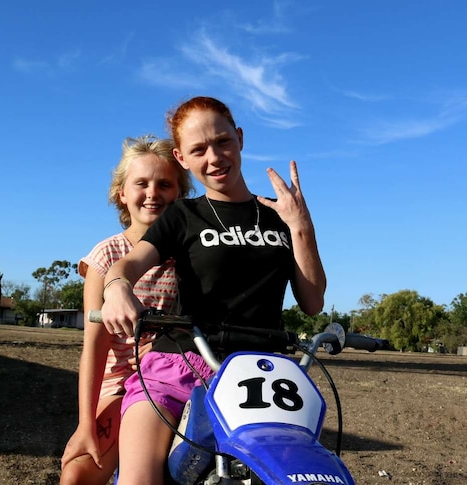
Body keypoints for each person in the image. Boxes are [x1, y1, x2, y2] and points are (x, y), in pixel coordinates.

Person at [100, 96, 327, 485]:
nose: (215, 157)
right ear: (182, 158)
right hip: (180, 365)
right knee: (140, 479)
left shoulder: (280, 215)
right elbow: (128, 264)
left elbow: (312, 302)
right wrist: (117, 287)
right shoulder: (182, 215)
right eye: (198, 150)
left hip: (262, 374)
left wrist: (301, 226)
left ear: (239, 138)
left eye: (222, 141)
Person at [59, 135, 193, 485]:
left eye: (165, 184)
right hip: (119, 384)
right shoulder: (107, 256)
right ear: (121, 193)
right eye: (141, 183)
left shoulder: (192, 256)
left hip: (175, 377)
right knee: (76, 475)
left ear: (179, 193)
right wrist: (86, 424)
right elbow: (95, 346)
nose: (153, 193)